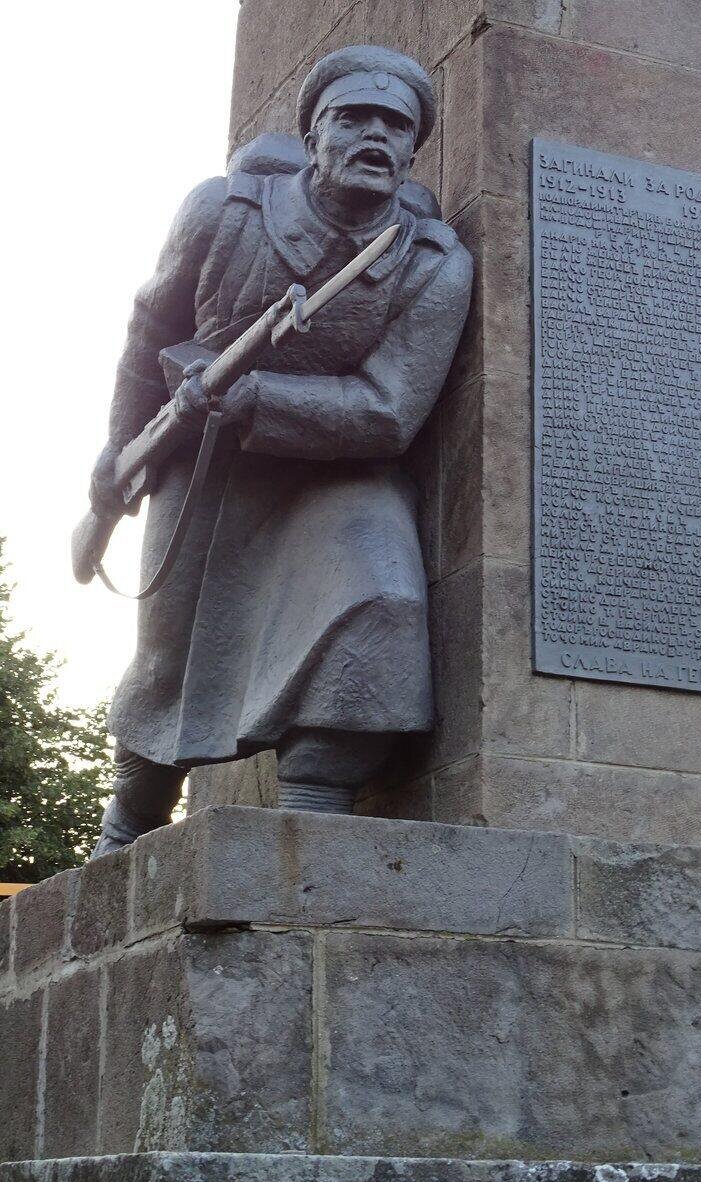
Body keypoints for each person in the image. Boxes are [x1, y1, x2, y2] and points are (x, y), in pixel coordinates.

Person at [85, 45, 472, 857]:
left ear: (412, 149)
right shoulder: (223, 212)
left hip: (335, 471)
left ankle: (313, 819)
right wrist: (121, 450)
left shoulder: (432, 263)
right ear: (312, 134)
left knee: (380, 595)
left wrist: (258, 397)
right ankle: (128, 827)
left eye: (395, 125)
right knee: (171, 663)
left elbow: (389, 412)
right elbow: (151, 330)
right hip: (208, 470)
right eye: (352, 118)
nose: (375, 136)